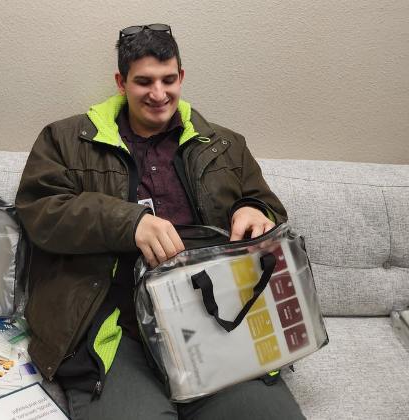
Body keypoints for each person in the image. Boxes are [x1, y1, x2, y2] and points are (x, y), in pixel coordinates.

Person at [16, 24, 304, 420]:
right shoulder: (64, 139)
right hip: (115, 327)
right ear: (120, 82)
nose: (158, 94)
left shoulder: (225, 143)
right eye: (144, 82)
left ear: (181, 76)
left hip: (216, 320)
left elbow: (269, 207)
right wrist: (129, 223)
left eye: (169, 79)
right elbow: (40, 212)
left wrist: (255, 210)